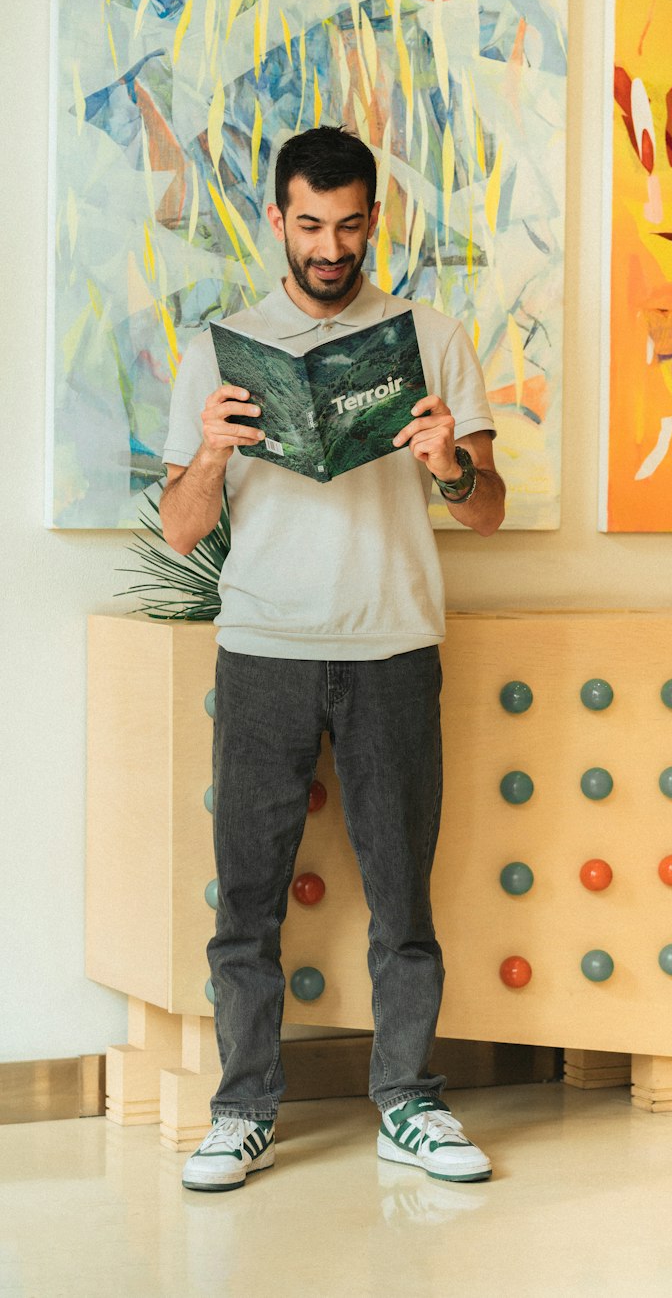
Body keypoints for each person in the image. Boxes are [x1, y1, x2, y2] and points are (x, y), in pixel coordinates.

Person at [160, 125, 505, 1193]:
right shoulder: (221, 347)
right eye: (310, 224)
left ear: (372, 219)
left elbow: (488, 514)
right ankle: (241, 1107)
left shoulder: (431, 337)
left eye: (350, 224)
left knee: (404, 895)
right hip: (263, 648)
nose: (330, 245)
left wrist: (448, 462)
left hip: (394, 642)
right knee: (246, 900)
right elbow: (178, 528)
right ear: (277, 217)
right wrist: (214, 452)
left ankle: (408, 1097)